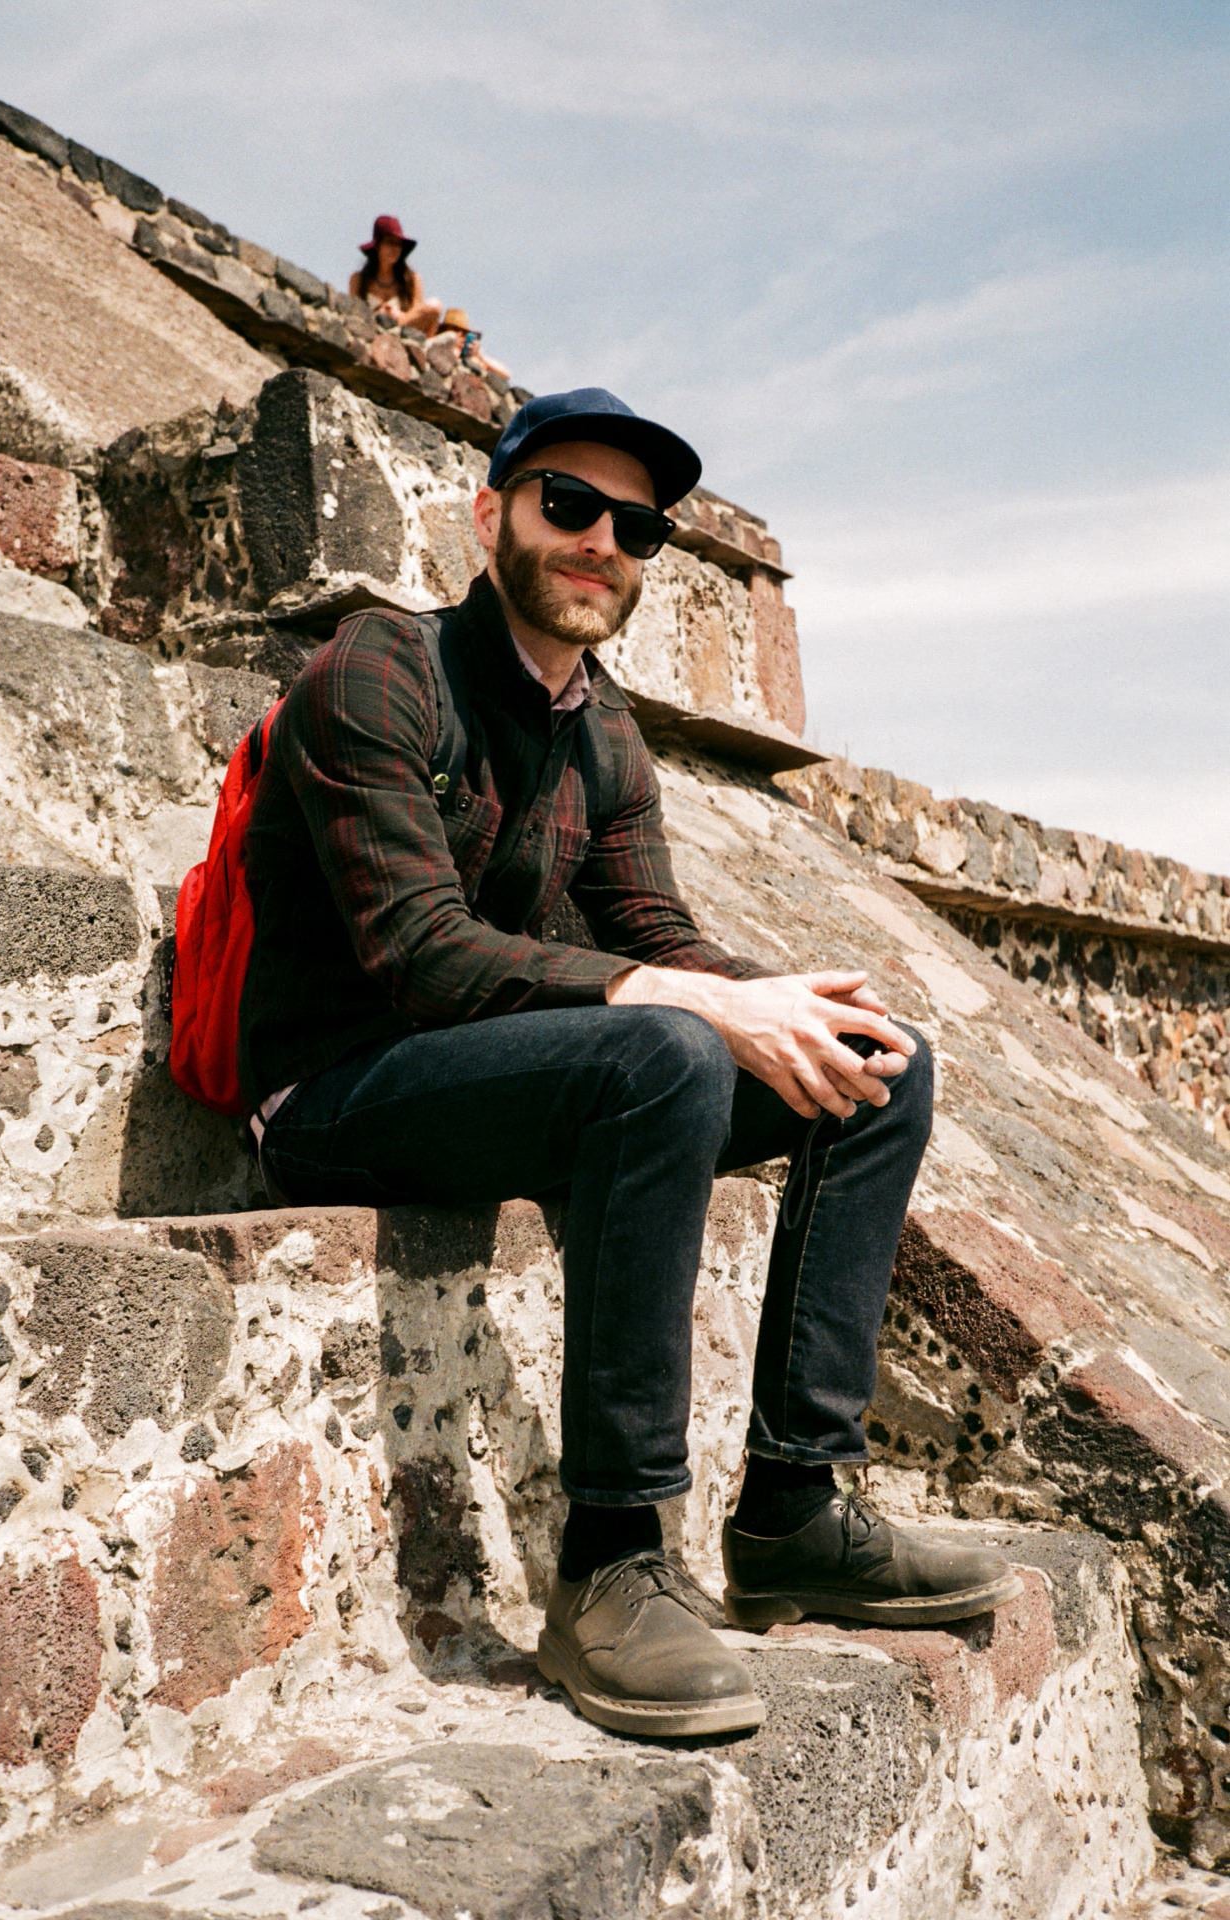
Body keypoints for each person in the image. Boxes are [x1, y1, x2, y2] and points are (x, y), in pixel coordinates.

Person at [240, 388, 1023, 1740]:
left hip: (513, 1075)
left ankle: (791, 1513)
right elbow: (422, 955)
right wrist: (685, 1003)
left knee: (880, 1063)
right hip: (340, 1091)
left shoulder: (602, 731)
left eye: (638, 526)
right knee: (663, 1050)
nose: (603, 540)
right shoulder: (379, 670)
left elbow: (655, 932)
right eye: (569, 504)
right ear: (490, 515)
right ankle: (610, 1563)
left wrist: (781, 1003)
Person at [349, 214, 441, 335]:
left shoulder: (412, 279)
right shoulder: (359, 279)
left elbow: (418, 316)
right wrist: (377, 313)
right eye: (390, 242)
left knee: (435, 305)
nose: (395, 249)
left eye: (398, 244)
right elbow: (353, 315)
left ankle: (392, 328)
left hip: (402, 335)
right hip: (370, 332)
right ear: (378, 246)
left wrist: (399, 315)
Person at [432, 306, 511, 383]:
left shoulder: (469, 359)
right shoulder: (434, 348)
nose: (460, 335)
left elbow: (505, 375)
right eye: (455, 330)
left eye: (464, 333)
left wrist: (479, 355)